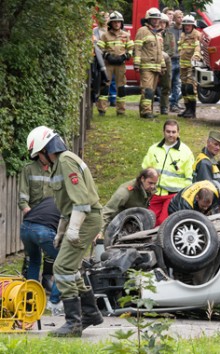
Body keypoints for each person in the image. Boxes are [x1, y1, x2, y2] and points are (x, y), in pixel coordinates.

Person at [26, 126, 103, 337]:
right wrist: (61, 232)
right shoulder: (60, 164)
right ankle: (90, 313)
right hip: (78, 218)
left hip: (86, 219)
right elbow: (66, 207)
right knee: (72, 268)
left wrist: (74, 229)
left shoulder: (66, 161)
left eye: (38, 155)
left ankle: (73, 323)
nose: (39, 160)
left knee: (61, 267)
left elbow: (81, 201)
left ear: (45, 150)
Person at [18, 147, 63, 315]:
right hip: (35, 217)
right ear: (39, 154)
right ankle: (34, 297)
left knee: (50, 258)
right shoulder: (28, 169)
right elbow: (23, 198)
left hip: (50, 219)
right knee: (34, 259)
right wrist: (29, 211)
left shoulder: (57, 170)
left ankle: (46, 282)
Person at [141, 119, 194, 226]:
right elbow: (145, 170)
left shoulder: (186, 152)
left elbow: (189, 177)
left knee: (163, 223)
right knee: (148, 222)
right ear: (163, 132)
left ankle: (161, 242)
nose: (171, 134)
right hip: (154, 193)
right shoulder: (154, 149)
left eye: (173, 132)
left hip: (173, 196)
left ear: (178, 133)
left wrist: (183, 197)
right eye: (168, 131)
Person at [97, 11, 133, 116]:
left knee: (121, 87)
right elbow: (99, 49)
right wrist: (107, 56)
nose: (117, 24)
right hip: (108, 63)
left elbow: (131, 49)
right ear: (111, 23)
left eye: (119, 22)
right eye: (114, 22)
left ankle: (121, 110)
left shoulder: (126, 35)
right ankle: (102, 109)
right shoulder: (105, 35)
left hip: (120, 64)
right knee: (105, 85)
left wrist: (125, 56)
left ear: (121, 23)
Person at [101, 168, 159, 233]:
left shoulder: (148, 189)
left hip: (131, 222)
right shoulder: (125, 192)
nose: (152, 186)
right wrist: (100, 231)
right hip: (115, 224)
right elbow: (107, 211)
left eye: (154, 183)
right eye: (150, 183)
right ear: (142, 179)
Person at [134, 7, 166, 119]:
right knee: (147, 89)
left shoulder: (158, 33)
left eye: (158, 19)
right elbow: (137, 48)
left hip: (156, 67)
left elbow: (160, 52)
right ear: (148, 19)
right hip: (146, 66)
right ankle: (146, 112)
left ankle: (146, 111)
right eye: (153, 19)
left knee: (151, 91)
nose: (156, 21)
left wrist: (163, 65)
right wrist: (136, 64)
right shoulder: (142, 31)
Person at [192, 130, 220, 212]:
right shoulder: (205, 162)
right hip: (211, 209)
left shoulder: (210, 160)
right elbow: (207, 191)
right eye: (215, 144)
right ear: (208, 142)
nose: (218, 148)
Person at [177, 15, 201, 118]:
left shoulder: (197, 35)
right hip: (183, 65)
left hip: (192, 66)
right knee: (183, 88)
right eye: (185, 25)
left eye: (189, 25)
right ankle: (187, 109)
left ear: (193, 25)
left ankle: (192, 110)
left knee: (190, 87)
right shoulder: (182, 35)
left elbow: (198, 47)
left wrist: (196, 56)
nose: (187, 26)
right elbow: (180, 47)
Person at [158, 13, 174, 115]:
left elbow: (171, 51)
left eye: (164, 22)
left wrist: (163, 57)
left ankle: (164, 107)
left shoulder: (170, 35)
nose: (162, 24)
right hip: (154, 62)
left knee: (167, 85)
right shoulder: (152, 34)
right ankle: (148, 107)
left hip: (166, 62)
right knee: (152, 85)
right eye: (160, 22)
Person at [169, 10, 183, 113]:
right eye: (178, 17)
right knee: (168, 83)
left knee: (177, 83)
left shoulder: (185, 30)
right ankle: (166, 103)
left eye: (182, 17)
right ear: (174, 18)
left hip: (181, 59)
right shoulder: (169, 30)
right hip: (172, 59)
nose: (181, 19)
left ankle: (174, 103)